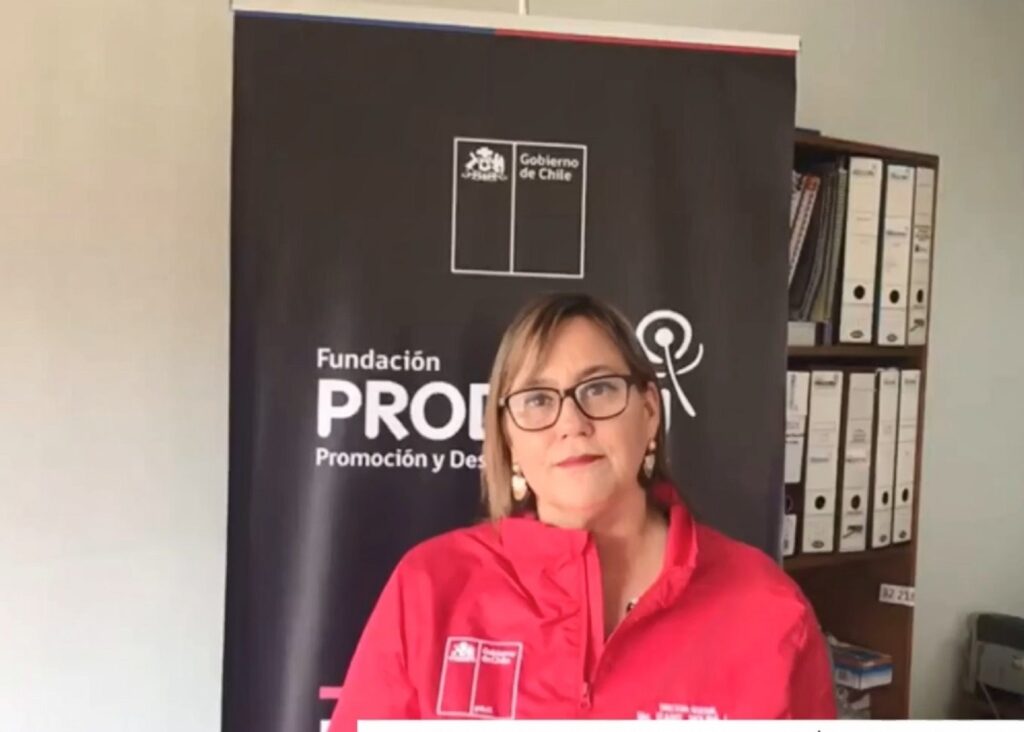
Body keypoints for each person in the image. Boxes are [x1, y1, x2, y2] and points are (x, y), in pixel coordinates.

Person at [328, 293, 837, 728]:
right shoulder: (428, 588)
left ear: (649, 411)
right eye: (537, 399)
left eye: (599, 389)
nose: (571, 422)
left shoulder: (768, 610)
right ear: (507, 436)